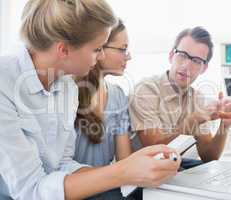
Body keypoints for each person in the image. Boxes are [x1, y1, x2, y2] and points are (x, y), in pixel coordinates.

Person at [0, 1, 181, 200]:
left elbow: (63, 165)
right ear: (63, 50)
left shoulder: (66, 86)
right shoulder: (5, 85)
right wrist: (122, 172)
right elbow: (30, 191)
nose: (101, 55)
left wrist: (130, 168)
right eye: (97, 49)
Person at [129, 26, 231, 169]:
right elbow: (154, 151)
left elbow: (209, 156)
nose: (186, 65)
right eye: (182, 55)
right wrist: (191, 121)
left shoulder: (197, 98)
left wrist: (224, 126)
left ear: (204, 68)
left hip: (175, 168)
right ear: (171, 56)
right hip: (144, 174)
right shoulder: (146, 90)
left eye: (196, 61)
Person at [74, 19, 133, 200]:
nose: (128, 56)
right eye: (122, 49)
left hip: (105, 188)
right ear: (99, 47)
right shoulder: (70, 91)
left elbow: (124, 160)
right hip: (72, 188)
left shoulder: (118, 95)